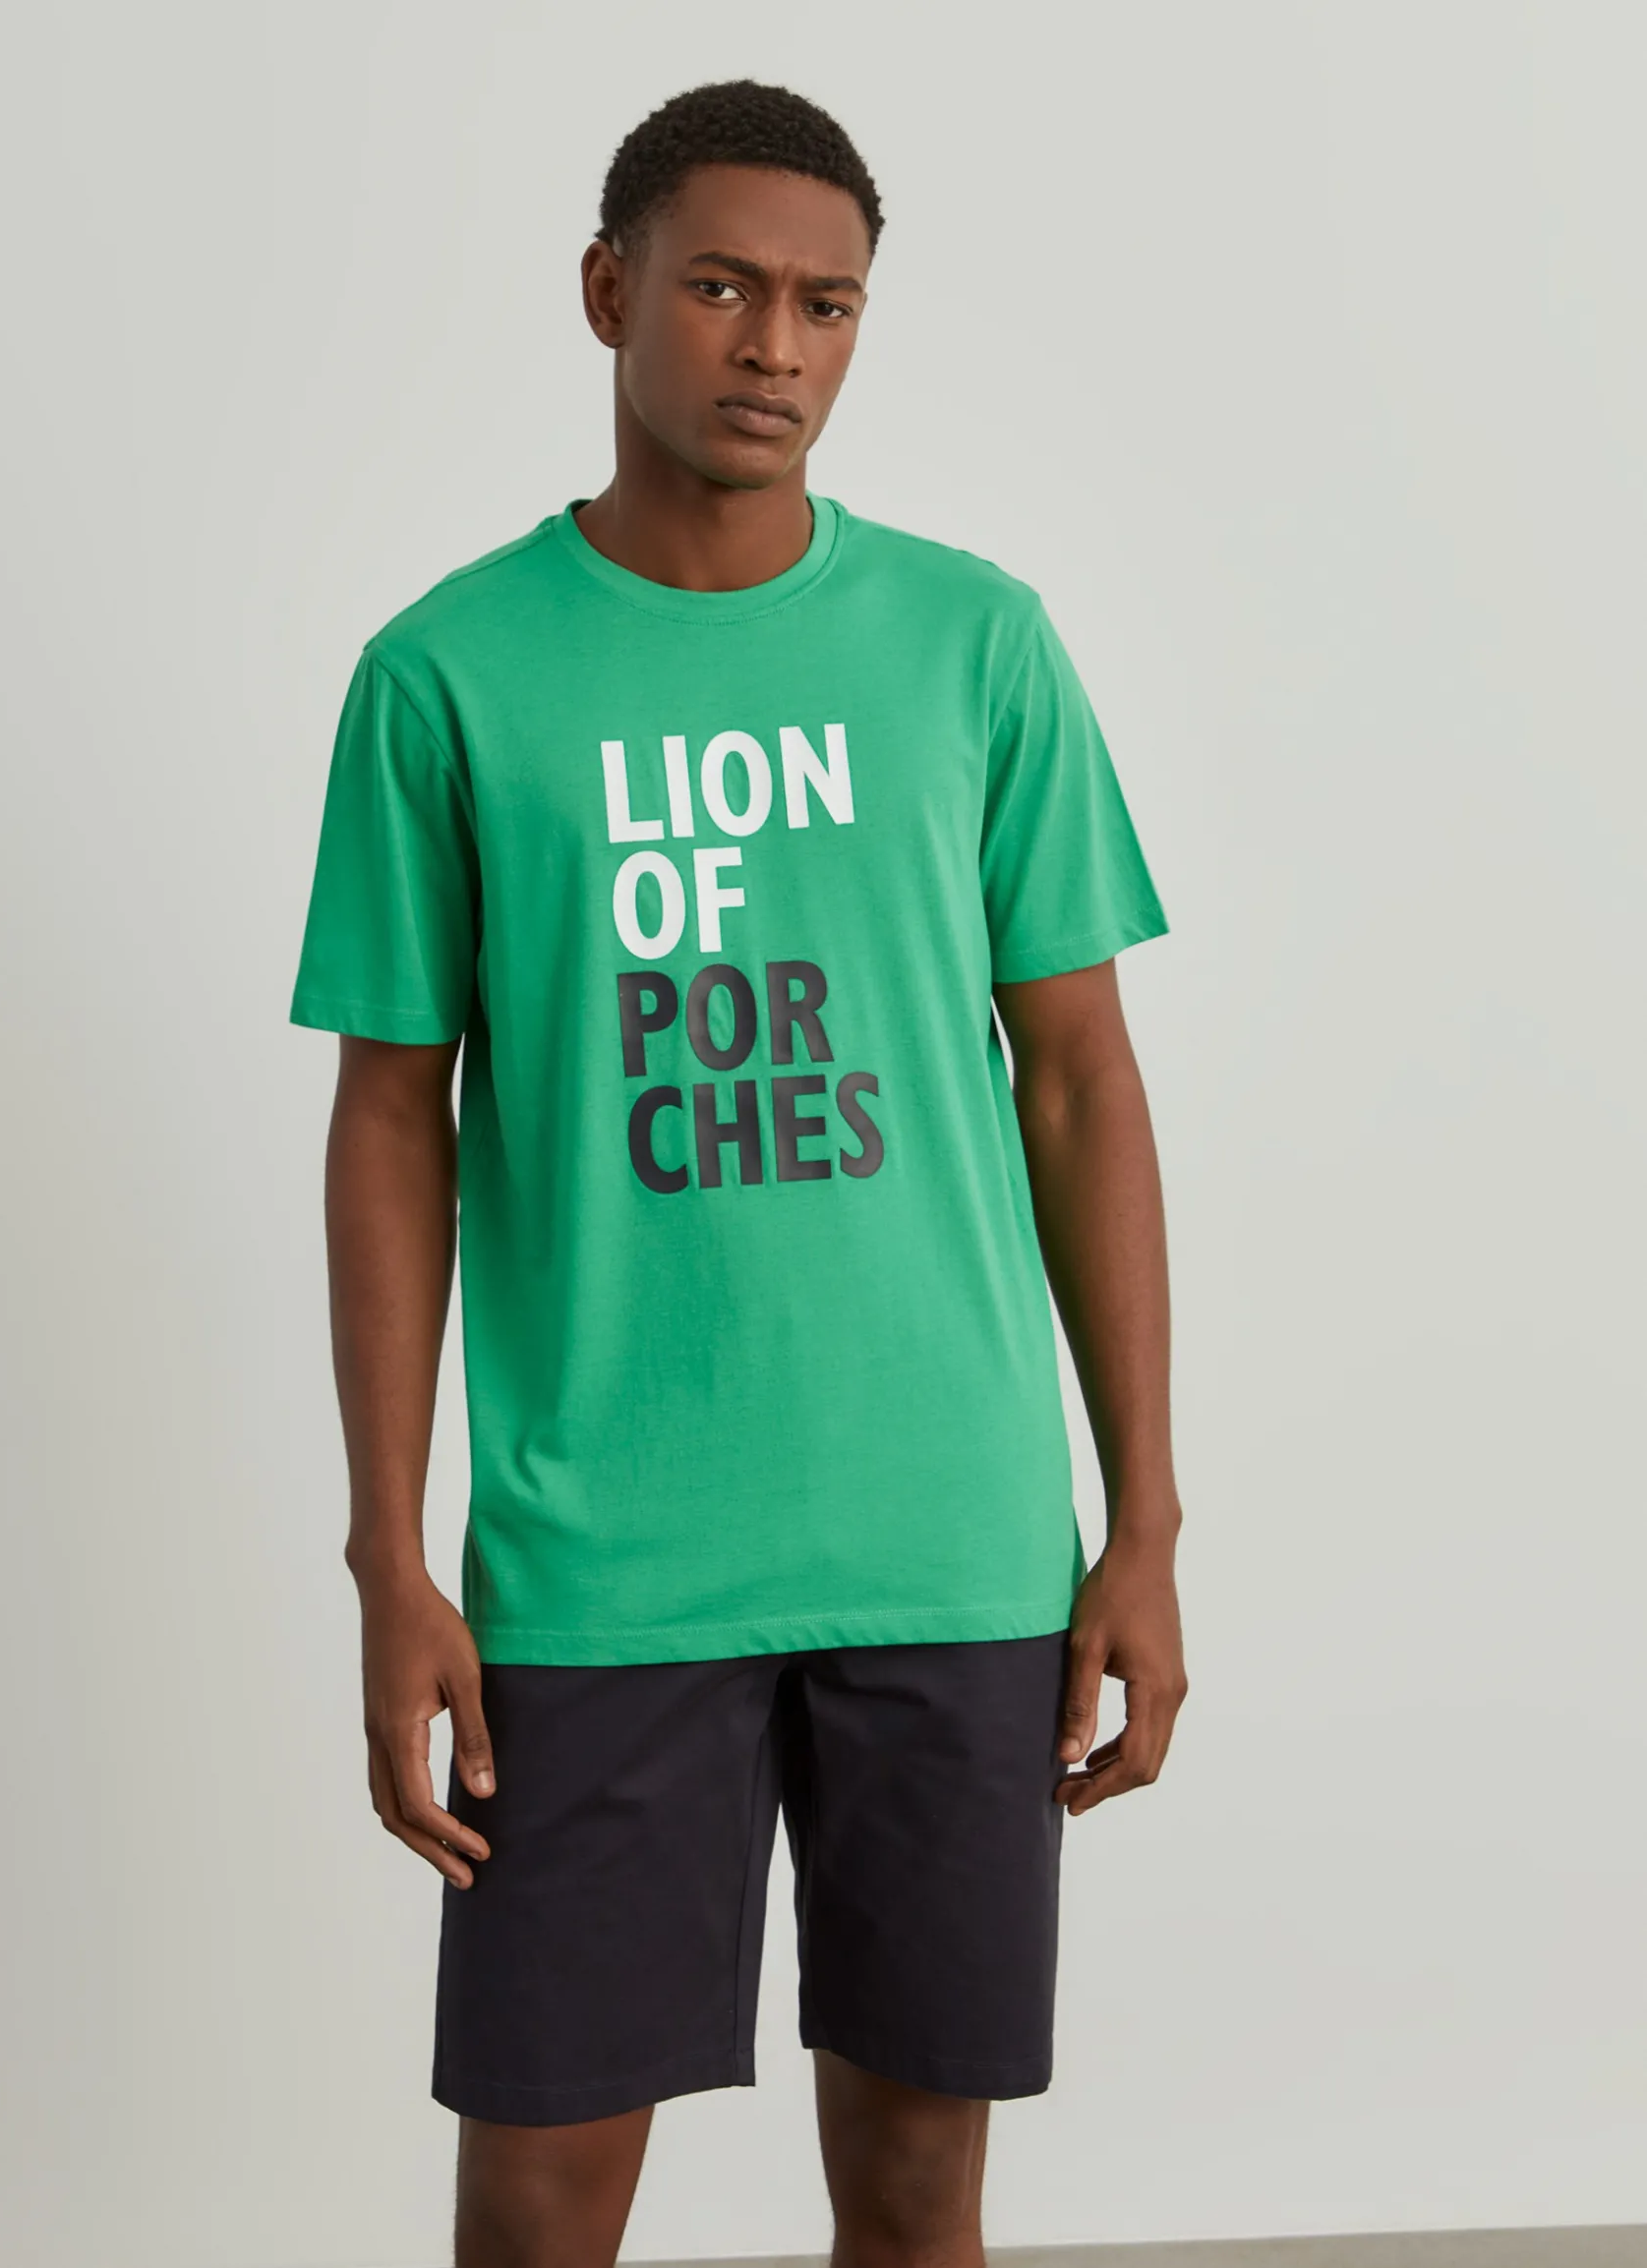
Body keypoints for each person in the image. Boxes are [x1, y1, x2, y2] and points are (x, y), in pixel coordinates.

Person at [291, 77, 1187, 2268]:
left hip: (948, 1539)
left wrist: (1144, 1517)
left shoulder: (974, 645)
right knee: (539, 2191)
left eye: (826, 304)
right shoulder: (447, 675)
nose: (773, 345)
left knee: (920, 2182)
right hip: (602, 1559)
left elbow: (1080, 1081)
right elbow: (392, 1114)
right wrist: (390, 1551)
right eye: (719, 287)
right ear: (609, 292)